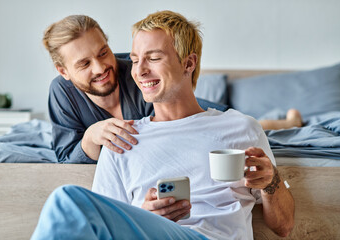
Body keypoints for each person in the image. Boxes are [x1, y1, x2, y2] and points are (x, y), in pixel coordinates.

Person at [32, 10, 294, 239]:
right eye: (134, 60)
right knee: (65, 202)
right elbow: (106, 226)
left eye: (153, 58)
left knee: (66, 200)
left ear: (188, 63)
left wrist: (271, 183)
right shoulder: (120, 140)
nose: (139, 71)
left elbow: (284, 228)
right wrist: (142, 217)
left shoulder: (241, 127)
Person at [42, 15, 302, 164]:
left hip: (185, 109)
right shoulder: (62, 94)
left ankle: (287, 121)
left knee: (231, 119)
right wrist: (90, 137)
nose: (101, 68)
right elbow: (65, 160)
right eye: (85, 63)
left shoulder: (140, 75)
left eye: (103, 52)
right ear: (63, 71)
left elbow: (173, 132)